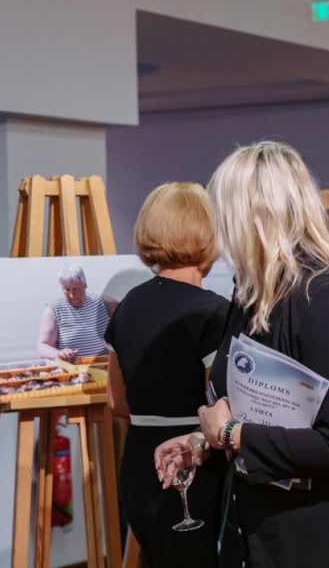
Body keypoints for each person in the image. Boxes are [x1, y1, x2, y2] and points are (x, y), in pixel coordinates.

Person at [157, 140, 329, 567]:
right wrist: (201, 440)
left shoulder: (327, 301)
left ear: (252, 214)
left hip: (325, 538)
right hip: (265, 527)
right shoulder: (250, 295)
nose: (217, 228)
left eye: (222, 211)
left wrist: (230, 434)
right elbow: (257, 407)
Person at [105, 182, 229, 568]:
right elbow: (224, 409)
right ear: (207, 233)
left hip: (138, 463)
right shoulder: (214, 312)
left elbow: (116, 402)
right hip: (192, 463)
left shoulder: (127, 307)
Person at [37, 265, 118, 363]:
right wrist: (59, 354)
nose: (72, 295)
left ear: (85, 284)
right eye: (67, 290)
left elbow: (128, 325)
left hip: (104, 365)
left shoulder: (104, 303)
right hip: (71, 367)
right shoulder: (53, 309)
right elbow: (43, 345)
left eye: (75, 289)